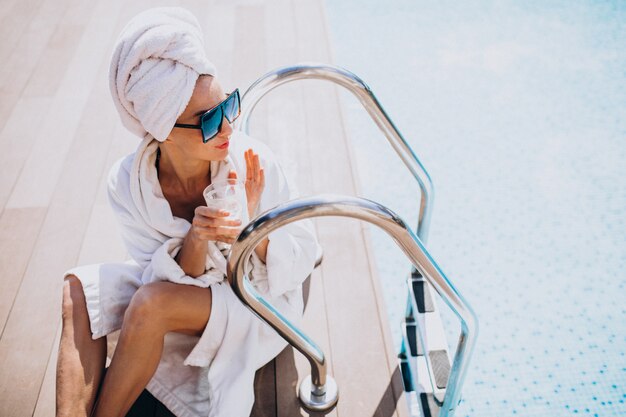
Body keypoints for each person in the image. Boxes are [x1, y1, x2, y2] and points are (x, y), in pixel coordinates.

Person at [55, 7, 320, 417]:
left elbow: (301, 257)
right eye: (209, 119)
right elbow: (159, 275)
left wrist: (251, 234)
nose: (229, 127)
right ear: (162, 130)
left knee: (150, 305)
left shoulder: (252, 160)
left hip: (256, 298)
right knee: (77, 291)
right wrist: (196, 239)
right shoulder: (127, 185)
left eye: (227, 105)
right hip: (185, 289)